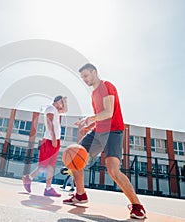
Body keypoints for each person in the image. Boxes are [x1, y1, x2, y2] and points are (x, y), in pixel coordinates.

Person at [62, 63, 146, 219]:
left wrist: (89, 119)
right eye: (83, 77)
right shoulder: (93, 94)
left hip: (114, 131)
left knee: (113, 171)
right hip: (99, 132)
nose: (85, 80)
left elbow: (108, 112)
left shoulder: (106, 86)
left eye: (86, 75)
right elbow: (101, 116)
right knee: (74, 158)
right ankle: (80, 195)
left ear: (94, 72)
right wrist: (91, 125)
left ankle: (137, 206)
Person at [22, 95, 67, 197]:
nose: (62, 105)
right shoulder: (50, 108)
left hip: (54, 140)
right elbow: (49, 122)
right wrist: (54, 137)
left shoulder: (55, 109)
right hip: (50, 140)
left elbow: (65, 110)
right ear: (57, 101)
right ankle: (29, 178)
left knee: (51, 166)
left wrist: (64, 101)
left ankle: (48, 188)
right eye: (61, 102)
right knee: (44, 165)